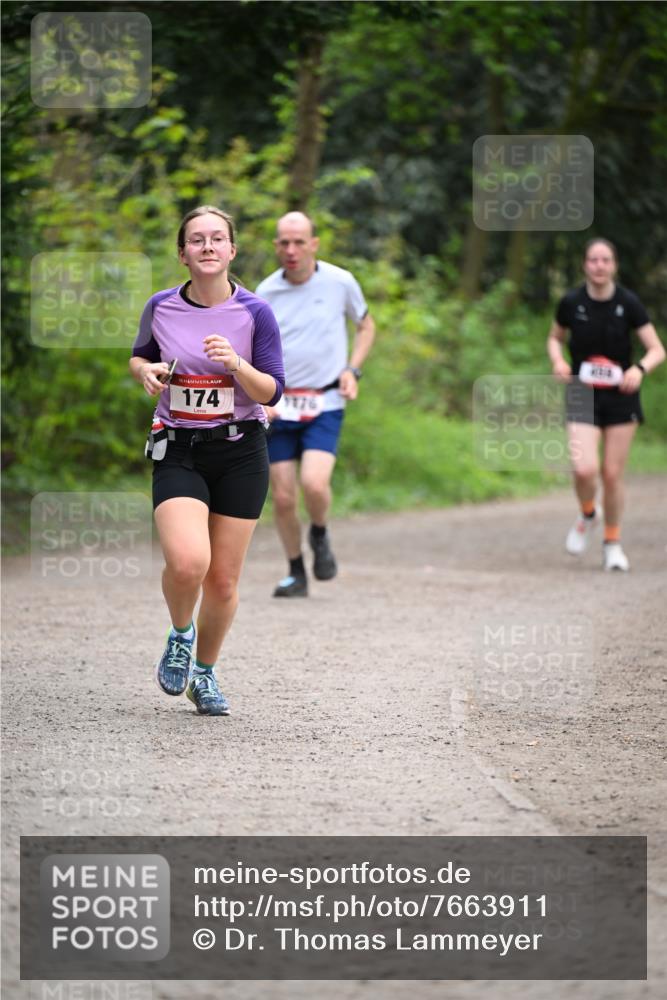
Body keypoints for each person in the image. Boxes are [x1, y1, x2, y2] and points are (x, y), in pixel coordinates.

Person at [130, 205, 284, 715]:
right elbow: (140, 355)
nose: (209, 247)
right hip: (179, 448)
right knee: (189, 561)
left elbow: (273, 390)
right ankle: (180, 635)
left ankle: (205, 674)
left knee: (222, 580)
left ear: (232, 251)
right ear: (183, 254)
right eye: (197, 240)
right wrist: (146, 372)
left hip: (241, 450)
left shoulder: (255, 312)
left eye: (218, 239)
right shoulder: (161, 306)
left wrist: (236, 363)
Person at [256, 211, 375, 597]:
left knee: (314, 484)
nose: (291, 250)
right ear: (276, 246)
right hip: (280, 405)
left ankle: (320, 534)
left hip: (325, 400)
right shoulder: (265, 292)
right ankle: (296, 572)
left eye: (299, 242)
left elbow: (366, 325)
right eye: (284, 243)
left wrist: (352, 369)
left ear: (314, 244)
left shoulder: (341, 282)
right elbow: (252, 347)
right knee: (285, 496)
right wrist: (260, 395)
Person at [547, 238, 664, 571]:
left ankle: (612, 543)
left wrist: (639, 370)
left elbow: (656, 349)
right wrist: (558, 361)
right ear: (585, 264)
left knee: (612, 475)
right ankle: (588, 513)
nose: (599, 266)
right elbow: (555, 337)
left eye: (606, 260)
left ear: (614, 266)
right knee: (584, 469)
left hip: (621, 396)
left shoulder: (629, 303)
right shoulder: (571, 302)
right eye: (593, 260)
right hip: (582, 392)